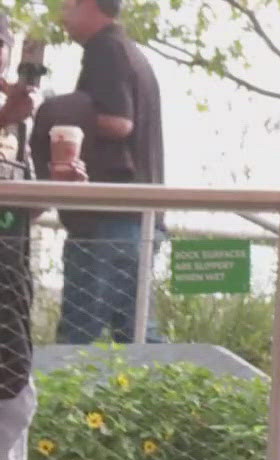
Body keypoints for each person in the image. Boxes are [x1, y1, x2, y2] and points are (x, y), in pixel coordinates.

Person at [45, 0, 163, 346]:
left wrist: (54, 111)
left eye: (68, 4)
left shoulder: (106, 49)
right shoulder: (128, 52)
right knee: (138, 337)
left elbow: (119, 121)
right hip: (138, 217)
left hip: (108, 218)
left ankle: (58, 401)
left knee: (77, 339)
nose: (63, 15)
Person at [0, 17, 41, 460]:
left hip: (10, 278)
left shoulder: (15, 125)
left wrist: (59, 188)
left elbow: (19, 205)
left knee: (15, 402)